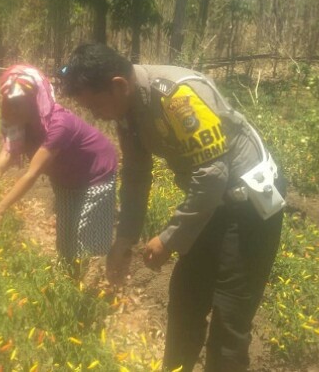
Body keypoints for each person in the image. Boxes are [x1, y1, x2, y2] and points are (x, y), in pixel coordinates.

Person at [59, 43, 286, 372]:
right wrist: (125, 238)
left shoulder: (176, 96)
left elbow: (213, 176)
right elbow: (136, 176)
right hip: (212, 203)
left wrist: (169, 239)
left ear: (118, 85)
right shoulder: (127, 112)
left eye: (95, 106)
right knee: (185, 301)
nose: (95, 116)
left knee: (229, 318)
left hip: (249, 202)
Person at [0, 64, 118, 277]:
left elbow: (31, 174)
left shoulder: (59, 125)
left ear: (35, 98)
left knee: (86, 241)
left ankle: (97, 290)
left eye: (20, 101)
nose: (14, 107)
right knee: (66, 240)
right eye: (11, 102)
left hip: (96, 174)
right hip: (66, 179)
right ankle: (70, 285)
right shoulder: (21, 126)